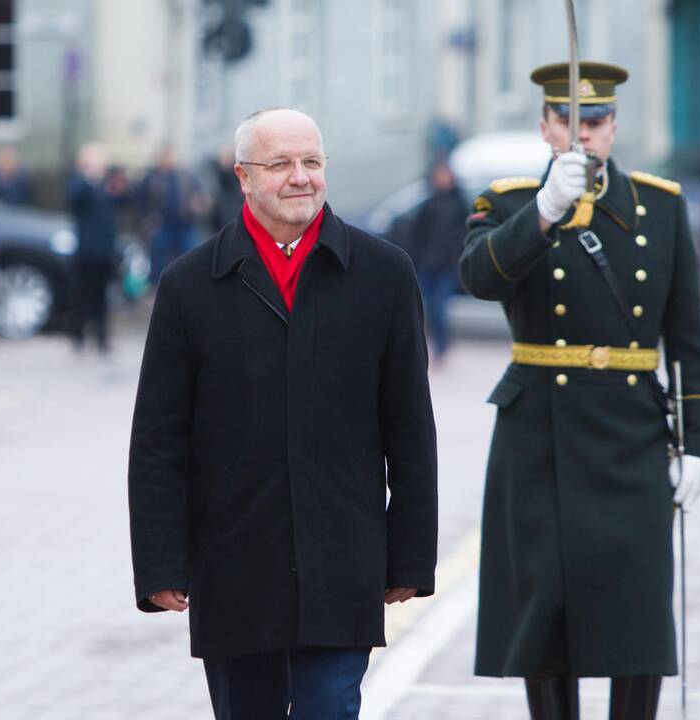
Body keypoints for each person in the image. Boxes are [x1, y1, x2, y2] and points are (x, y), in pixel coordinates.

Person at [128, 108, 438, 720]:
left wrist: (409, 557)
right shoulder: (190, 286)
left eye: (312, 162)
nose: (301, 177)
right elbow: (159, 439)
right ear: (244, 177)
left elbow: (410, 429)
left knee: (330, 708)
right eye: (281, 165)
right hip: (234, 564)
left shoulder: (384, 275)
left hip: (343, 564)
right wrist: (160, 563)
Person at [458, 62, 700, 720]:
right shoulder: (510, 202)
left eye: (595, 122)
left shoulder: (659, 207)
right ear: (545, 126)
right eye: (568, 121)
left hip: (631, 432)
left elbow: (689, 337)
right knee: (545, 612)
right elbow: (477, 278)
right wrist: (544, 213)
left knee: (637, 615)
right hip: (539, 428)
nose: (583, 135)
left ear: (614, 127)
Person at [410, 159, 469, 363]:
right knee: (425, 306)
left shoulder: (460, 202)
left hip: (448, 264)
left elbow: (468, 231)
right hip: (429, 263)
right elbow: (417, 231)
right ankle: (432, 344)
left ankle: (442, 345)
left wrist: (457, 250)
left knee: (439, 304)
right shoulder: (430, 202)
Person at [65, 143, 118, 353]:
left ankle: (102, 337)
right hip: (85, 249)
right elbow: (74, 201)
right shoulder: (79, 184)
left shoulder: (108, 185)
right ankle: (78, 335)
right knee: (81, 295)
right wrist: (89, 179)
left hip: (104, 249)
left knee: (102, 296)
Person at [136, 145, 208, 281]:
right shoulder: (150, 178)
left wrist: (199, 205)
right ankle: (157, 292)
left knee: (189, 259)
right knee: (158, 261)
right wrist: (146, 220)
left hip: (185, 224)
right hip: (161, 226)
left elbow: (199, 196)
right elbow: (140, 201)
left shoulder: (187, 176)